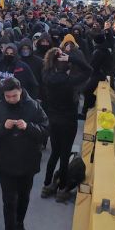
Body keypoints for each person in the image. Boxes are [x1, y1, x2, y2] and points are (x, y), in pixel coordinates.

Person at [0, 77, 49, 230]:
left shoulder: (34, 107)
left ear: (21, 91)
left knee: (24, 196)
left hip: (28, 161)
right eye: (8, 96)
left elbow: (45, 131)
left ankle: (20, 222)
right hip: (6, 163)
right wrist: (2, 128)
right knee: (8, 202)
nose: (11, 99)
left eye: (14, 95)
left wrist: (28, 127)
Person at [40, 48, 92, 202]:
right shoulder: (69, 81)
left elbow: (48, 64)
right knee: (64, 155)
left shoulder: (47, 76)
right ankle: (62, 189)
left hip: (53, 119)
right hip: (68, 120)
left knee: (54, 153)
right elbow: (88, 70)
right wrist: (71, 58)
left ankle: (47, 184)